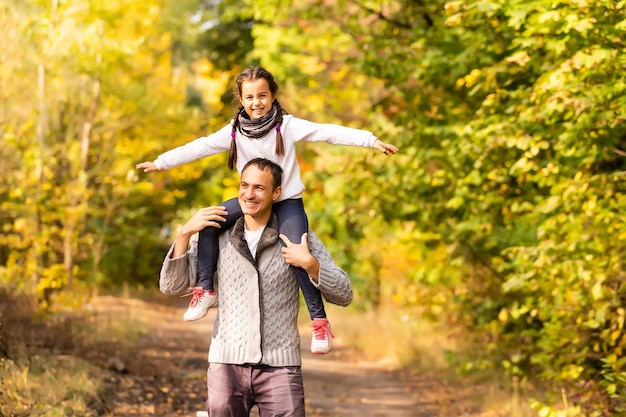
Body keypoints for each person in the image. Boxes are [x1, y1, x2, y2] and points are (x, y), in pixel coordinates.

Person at [138, 66, 398, 354]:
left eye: (263, 95)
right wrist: (161, 162)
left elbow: (327, 132)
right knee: (210, 221)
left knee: (297, 253)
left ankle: (319, 322)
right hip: (251, 199)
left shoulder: (287, 125)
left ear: (273, 96)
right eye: (249, 97)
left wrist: (370, 140)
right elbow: (202, 146)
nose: (256, 102)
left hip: (287, 202)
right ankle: (206, 290)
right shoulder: (235, 132)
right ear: (241, 99)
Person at [159, 158, 353, 417]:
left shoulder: (298, 237)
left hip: (281, 368)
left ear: (277, 193)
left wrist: (312, 265)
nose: (249, 194)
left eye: (259, 188)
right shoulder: (218, 236)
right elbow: (171, 286)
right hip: (226, 365)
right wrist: (185, 234)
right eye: (244, 185)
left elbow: (345, 294)